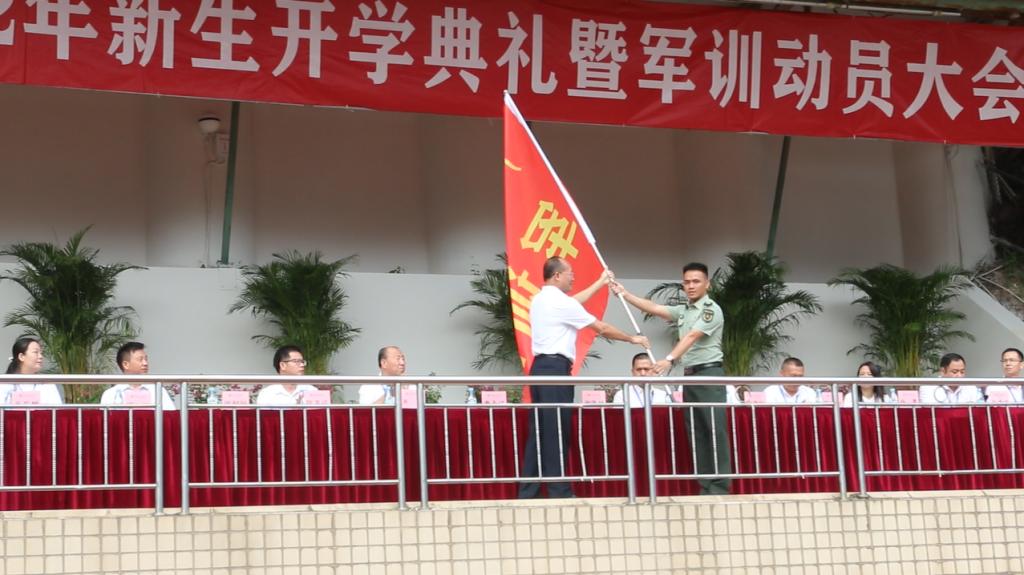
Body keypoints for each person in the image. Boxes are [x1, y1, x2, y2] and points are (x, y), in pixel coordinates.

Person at [519, 257, 650, 499]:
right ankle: (558, 490)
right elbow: (601, 328)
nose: (573, 277)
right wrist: (633, 339)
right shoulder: (561, 303)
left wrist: (600, 283)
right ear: (557, 275)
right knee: (556, 429)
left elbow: (574, 302)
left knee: (539, 430)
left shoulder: (541, 298)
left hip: (541, 369)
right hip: (554, 370)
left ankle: (529, 491)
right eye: (570, 273)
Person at [611, 261, 731, 495]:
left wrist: (669, 359)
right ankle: (705, 485)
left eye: (696, 281)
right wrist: (625, 294)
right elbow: (654, 308)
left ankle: (719, 486)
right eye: (686, 282)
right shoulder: (685, 310)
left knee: (713, 429)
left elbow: (692, 336)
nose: (691, 286)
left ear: (707, 284)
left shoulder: (711, 309)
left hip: (709, 374)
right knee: (696, 431)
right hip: (690, 376)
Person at [100, 342, 176, 410]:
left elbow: (170, 415)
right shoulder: (111, 394)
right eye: (140, 359)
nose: (145, 363)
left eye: (146, 359)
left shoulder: (158, 390)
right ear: (126, 364)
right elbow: (105, 419)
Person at [0, 337, 63, 405]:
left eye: (41, 353)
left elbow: (57, 408)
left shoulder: (47, 384)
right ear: (21, 356)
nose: (40, 356)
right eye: (36, 352)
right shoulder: (5, 383)